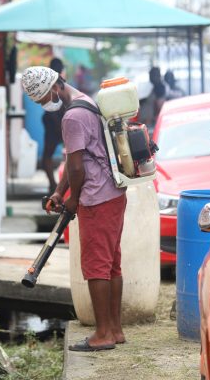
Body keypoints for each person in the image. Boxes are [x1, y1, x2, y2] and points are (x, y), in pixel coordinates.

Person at [21, 66, 127, 352]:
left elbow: (78, 167)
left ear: (54, 87)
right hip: (114, 194)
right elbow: (74, 158)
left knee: (95, 267)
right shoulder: (86, 102)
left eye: (43, 99)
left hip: (96, 198)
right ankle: (115, 330)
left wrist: (73, 199)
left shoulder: (71, 117)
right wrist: (59, 191)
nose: (45, 105)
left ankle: (102, 333)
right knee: (111, 264)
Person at [41, 57, 66, 194]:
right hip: (57, 122)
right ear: (62, 70)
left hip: (55, 122)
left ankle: (53, 184)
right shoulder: (60, 83)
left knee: (47, 156)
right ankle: (54, 185)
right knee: (70, 155)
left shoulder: (48, 82)